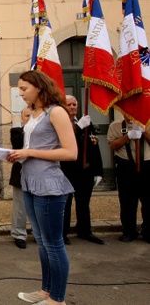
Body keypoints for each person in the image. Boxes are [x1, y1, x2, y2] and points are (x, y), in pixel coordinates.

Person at [7, 70, 77, 305]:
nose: (21, 93)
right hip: (29, 182)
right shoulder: (34, 113)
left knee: (53, 243)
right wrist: (19, 155)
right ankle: (46, 291)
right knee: (41, 240)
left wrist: (29, 152)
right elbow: (33, 145)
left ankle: (58, 299)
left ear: (39, 86)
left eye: (24, 88)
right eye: (19, 89)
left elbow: (70, 152)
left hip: (49, 185)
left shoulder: (56, 112)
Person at [61, 95, 104, 245]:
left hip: (84, 170)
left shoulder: (86, 123)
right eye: (69, 104)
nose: (73, 107)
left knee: (84, 202)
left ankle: (84, 230)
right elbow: (63, 141)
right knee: (65, 203)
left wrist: (98, 171)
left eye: (75, 104)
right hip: (66, 169)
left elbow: (94, 145)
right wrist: (78, 127)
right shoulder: (61, 123)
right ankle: (62, 233)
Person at [107, 116, 150, 243]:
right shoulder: (115, 125)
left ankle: (148, 231)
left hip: (147, 166)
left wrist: (144, 130)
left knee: (148, 202)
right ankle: (129, 231)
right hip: (126, 166)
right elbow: (112, 145)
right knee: (127, 202)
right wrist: (128, 136)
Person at [9, 106, 32, 249]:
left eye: (32, 116)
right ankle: (19, 234)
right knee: (20, 206)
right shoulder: (17, 132)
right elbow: (18, 145)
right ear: (22, 118)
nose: (29, 118)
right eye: (27, 116)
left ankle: (38, 233)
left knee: (38, 206)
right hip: (21, 173)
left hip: (38, 174)